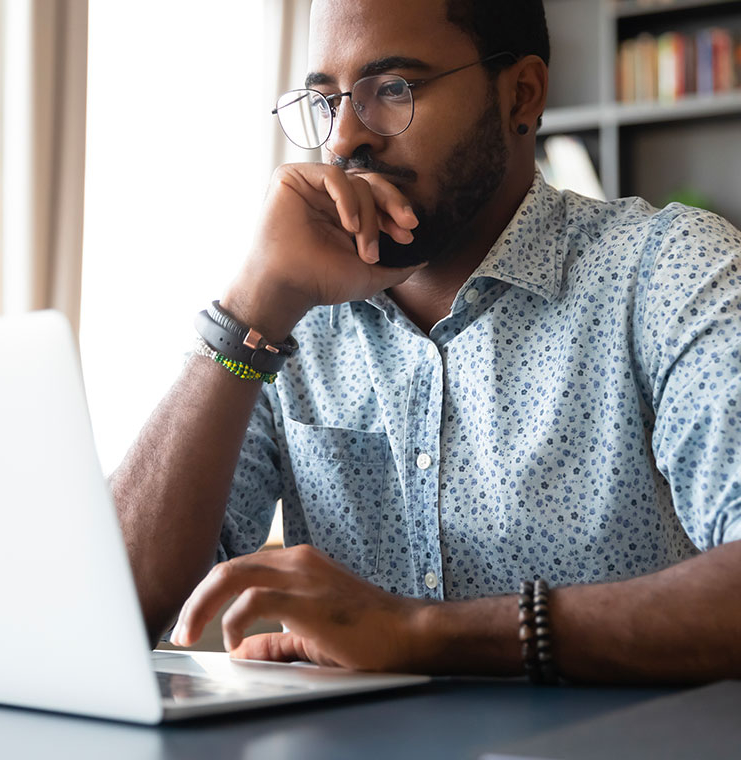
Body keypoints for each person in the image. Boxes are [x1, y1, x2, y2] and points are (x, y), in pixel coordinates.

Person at [112, 0, 741, 685]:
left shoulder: (668, 272)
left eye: (394, 89)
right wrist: (249, 309)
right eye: (326, 100)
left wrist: (422, 634)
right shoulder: (287, 315)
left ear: (521, 95)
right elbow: (113, 606)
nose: (346, 138)